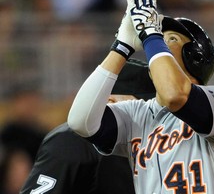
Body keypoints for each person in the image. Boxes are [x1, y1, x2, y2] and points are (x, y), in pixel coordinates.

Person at [68, 0, 214, 194]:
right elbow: (80, 121)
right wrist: (122, 46)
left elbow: (175, 95)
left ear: (195, 56)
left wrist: (151, 34)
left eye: (170, 38)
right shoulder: (138, 113)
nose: (157, 43)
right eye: (159, 37)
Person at [20, 58, 155, 194]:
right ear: (110, 101)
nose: (150, 111)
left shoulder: (153, 145)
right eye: (142, 104)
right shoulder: (73, 141)